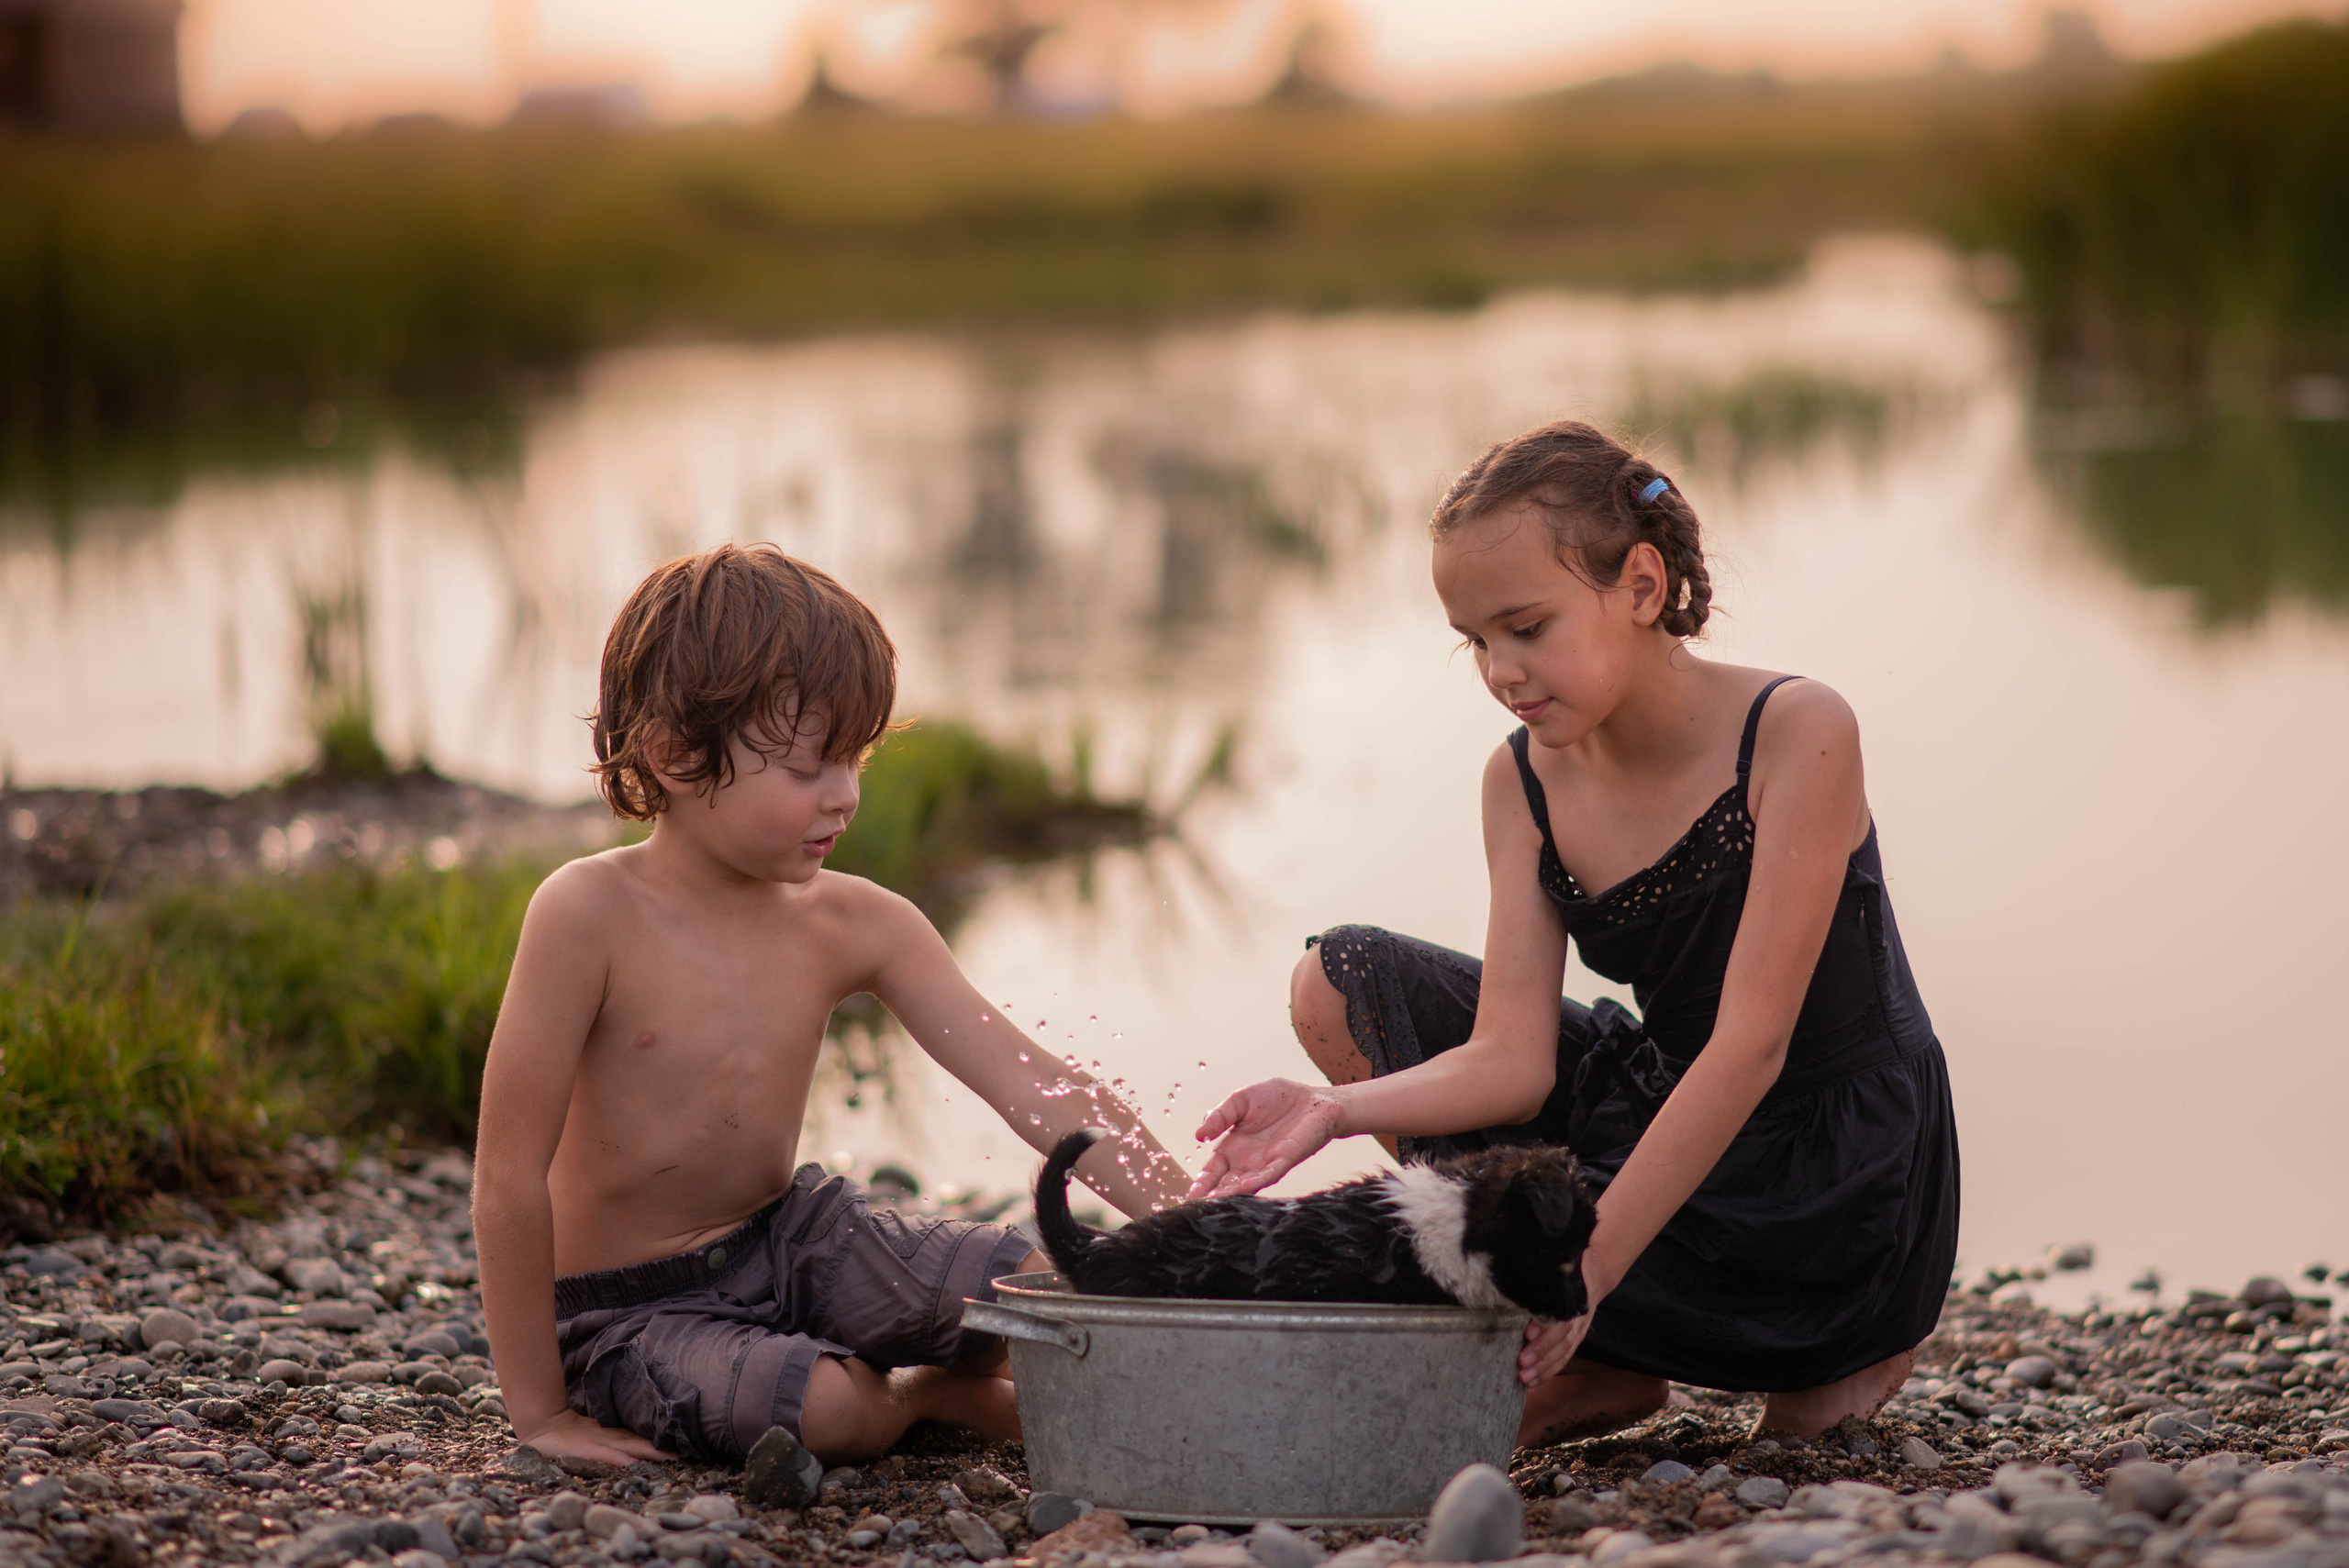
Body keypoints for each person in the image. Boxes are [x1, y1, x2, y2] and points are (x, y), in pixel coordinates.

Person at [1186, 420, 1960, 1447]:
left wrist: (1584, 1264)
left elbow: (1749, 1047)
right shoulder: (1519, 778)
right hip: (1660, 1089)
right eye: (1475, 641)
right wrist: (1331, 1107)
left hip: (1824, 1156)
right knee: (1338, 977)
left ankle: (1768, 1334)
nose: (1502, 669)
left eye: (1526, 626)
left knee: (1807, 1431)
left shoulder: (1797, 729)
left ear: (1640, 587)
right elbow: (1511, 1058)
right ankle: (1606, 1362)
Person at [473, 543, 1188, 1471]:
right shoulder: (585, 914)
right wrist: (538, 1411)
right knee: (822, 1414)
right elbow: (506, 1174)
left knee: (1057, 1286)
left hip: (796, 1238)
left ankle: (924, 1369)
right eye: (810, 767)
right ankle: (919, 1392)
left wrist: (1192, 1233)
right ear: (676, 754)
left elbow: (1035, 1083)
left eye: (854, 758)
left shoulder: (855, 919)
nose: (845, 795)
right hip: (633, 1305)